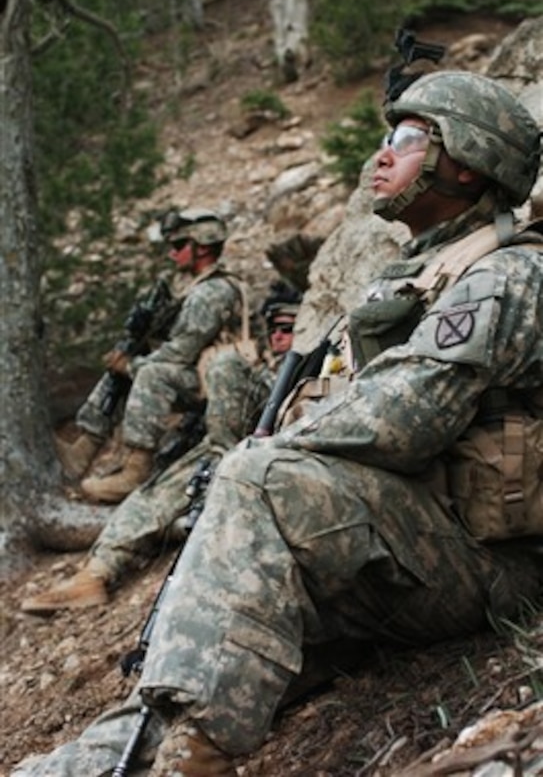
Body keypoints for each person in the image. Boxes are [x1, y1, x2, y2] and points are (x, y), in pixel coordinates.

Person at [13, 71, 543, 777]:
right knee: (200, 667)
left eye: (410, 138)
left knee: (256, 475)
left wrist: (269, 454)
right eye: (388, 137)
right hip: (401, 554)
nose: (382, 155)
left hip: (487, 568)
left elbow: (402, 421)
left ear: (467, 161)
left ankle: (198, 761)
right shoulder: (419, 274)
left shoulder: (505, 275)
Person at [21, 282, 302, 613]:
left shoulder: (314, 369)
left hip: (269, 461)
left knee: (225, 369)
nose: (278, 337)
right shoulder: (260, 368)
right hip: (224, 453)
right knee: (150, 497)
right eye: (273, 330)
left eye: (288, 329)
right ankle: (95, 574)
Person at [56, 207, 250, 504]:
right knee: (126, 366)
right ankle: (84, 448)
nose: (173, 254)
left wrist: (132, 366)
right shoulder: (194, 287)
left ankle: (136, 470)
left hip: (223, 383)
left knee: (150, 373)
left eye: (178, 246)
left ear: (202, 248)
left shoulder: (212, 292)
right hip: (202, 374)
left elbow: (180, 353)